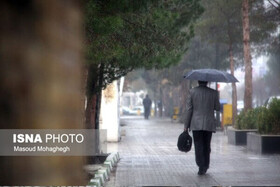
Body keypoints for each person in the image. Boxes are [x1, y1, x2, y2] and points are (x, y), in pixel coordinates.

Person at [184, 81, 220, 175]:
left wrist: (186, 126)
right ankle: (206, 165)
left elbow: (189, 110)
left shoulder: (192, 92)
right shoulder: (214, 93)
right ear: (207, 82)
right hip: (209, 123)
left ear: (198, 82)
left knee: (198, 145)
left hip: (196, 124)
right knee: (207, 145)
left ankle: (201, 165)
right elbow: (217, 107)